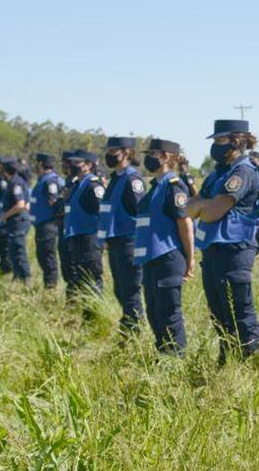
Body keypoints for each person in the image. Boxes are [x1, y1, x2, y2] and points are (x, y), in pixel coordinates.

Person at [187, 119, 259, 364]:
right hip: (212, 249)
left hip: (235, 249)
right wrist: (202, 206)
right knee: (218, 311)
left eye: (220, 141)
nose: (215, 147)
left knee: (240, 310)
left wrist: (203, 207)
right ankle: (227, 358)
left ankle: (249, 361)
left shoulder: (243, 172)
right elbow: (190, 209)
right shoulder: (216, 174)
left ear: (236, 141)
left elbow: (211, 211)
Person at [134, 138, 194, 355]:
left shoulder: (174, 186)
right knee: (153, 312)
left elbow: (184, 223)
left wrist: (190, 259)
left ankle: (175, 359)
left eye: (153, 154)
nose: (148, 158)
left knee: (169, 313)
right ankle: (163, 356)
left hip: (168, 257)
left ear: (167, 157)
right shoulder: (156, 187)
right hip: (150, 258)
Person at [100, 137, 146, 334]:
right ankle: (129, 325)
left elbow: (142, 212)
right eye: (108, 151)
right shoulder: (116, 178)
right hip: (115, 240)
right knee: (120, 289)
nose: (109, 155)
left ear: (126, 152)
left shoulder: (132, 179)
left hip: (130, 240)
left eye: (113, 151)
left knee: (130, 289)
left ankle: (133, 330)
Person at [62, 150, 105, 300]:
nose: (72, 166)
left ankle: (94, 314)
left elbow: (102, 213)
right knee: (78, 277)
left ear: (88, 165)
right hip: (76, 237)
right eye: (71, 163)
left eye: (77, 163)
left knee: (91, 278)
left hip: (89, 238)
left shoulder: (93, 186)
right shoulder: (75, 184)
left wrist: (103, 239)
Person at [30, 153, 65, 289]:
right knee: (42, 255)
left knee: (47, 255)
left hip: (48, 224)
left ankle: (50, 286)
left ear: (40, 164)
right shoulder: (43, 180)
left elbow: (54, 202)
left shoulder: (50, 181)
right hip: (41, 224)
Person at [0, 158, 32, 283]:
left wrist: (5, 215)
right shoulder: (14, 181)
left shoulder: (16, 183)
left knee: (18, 249)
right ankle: (17, 275)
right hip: (16, 221)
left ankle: (25, 277)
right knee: (13, 249)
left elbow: (21, 204)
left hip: (18, 221)